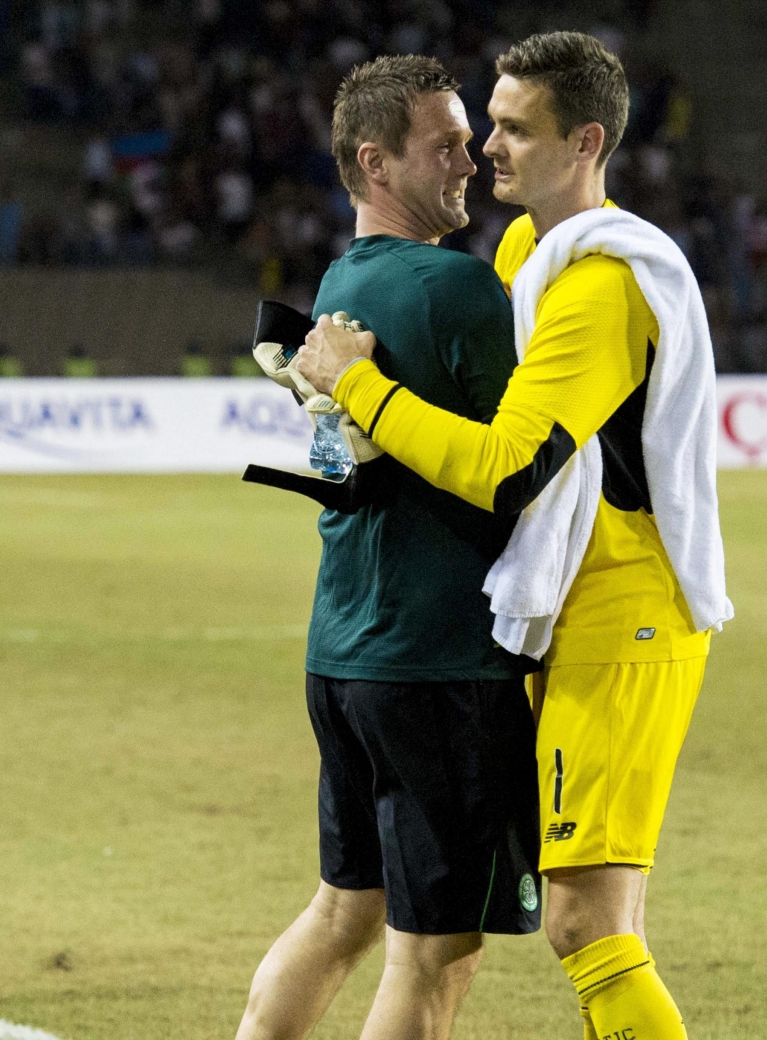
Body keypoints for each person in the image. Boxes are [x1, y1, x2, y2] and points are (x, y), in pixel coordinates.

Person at [297, 31, 733, 1040]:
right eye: (485, 122)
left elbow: (507, 469)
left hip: (622, 620)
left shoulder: (597, 283)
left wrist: (356, 384)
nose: (485, 147)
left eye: (511, 129)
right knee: (595, 918)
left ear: (585, 142)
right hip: (561, 615)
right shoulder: (526, 249)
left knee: (585, 920)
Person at [234, 55, 542, 1040]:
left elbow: (343, 462)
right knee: (436, 954)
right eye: (445, 142)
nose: (472, 157)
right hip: (440, 664)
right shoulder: (458, 290)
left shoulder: (340, 281)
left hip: (345, 653)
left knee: (342, 912)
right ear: (375, 162)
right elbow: (518, 466)